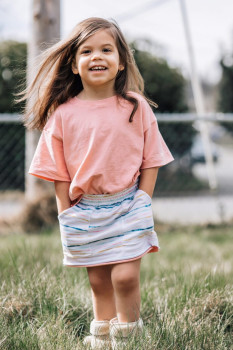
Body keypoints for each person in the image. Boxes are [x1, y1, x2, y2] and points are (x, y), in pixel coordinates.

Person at [22, 17, 174, 349]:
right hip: (84, 210)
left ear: (121, 62)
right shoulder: (63, 114)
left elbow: (152, 159)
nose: (97, 57)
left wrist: (143, 201)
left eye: (107, 49)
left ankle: (130, 338)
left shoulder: (136, 107)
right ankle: (102, 339)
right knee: (99, 281)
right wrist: (66, 214)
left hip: (130, 203)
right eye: (87, 51)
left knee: (124, 276)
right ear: (74, 65)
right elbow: (58, 172)